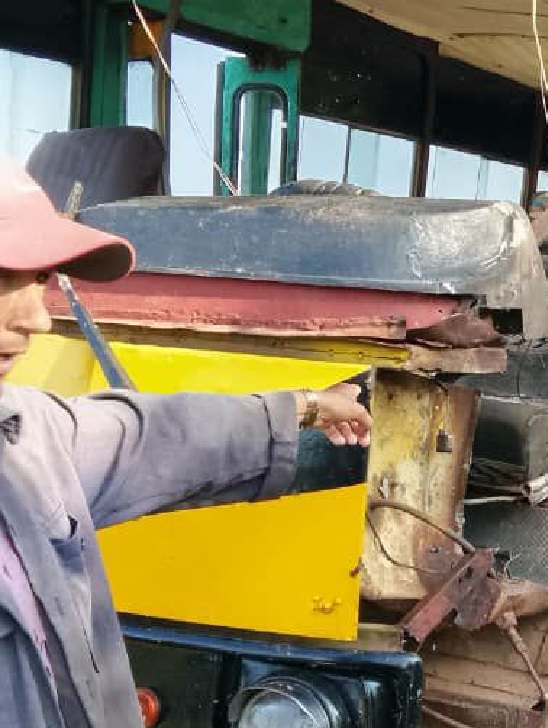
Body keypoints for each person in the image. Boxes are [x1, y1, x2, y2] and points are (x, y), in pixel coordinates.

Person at [0, 158, 374, 727]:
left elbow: (156, 439)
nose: (38, 320)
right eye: (4, 277)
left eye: (41, 280)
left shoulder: (23, 433)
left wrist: (305, 407)